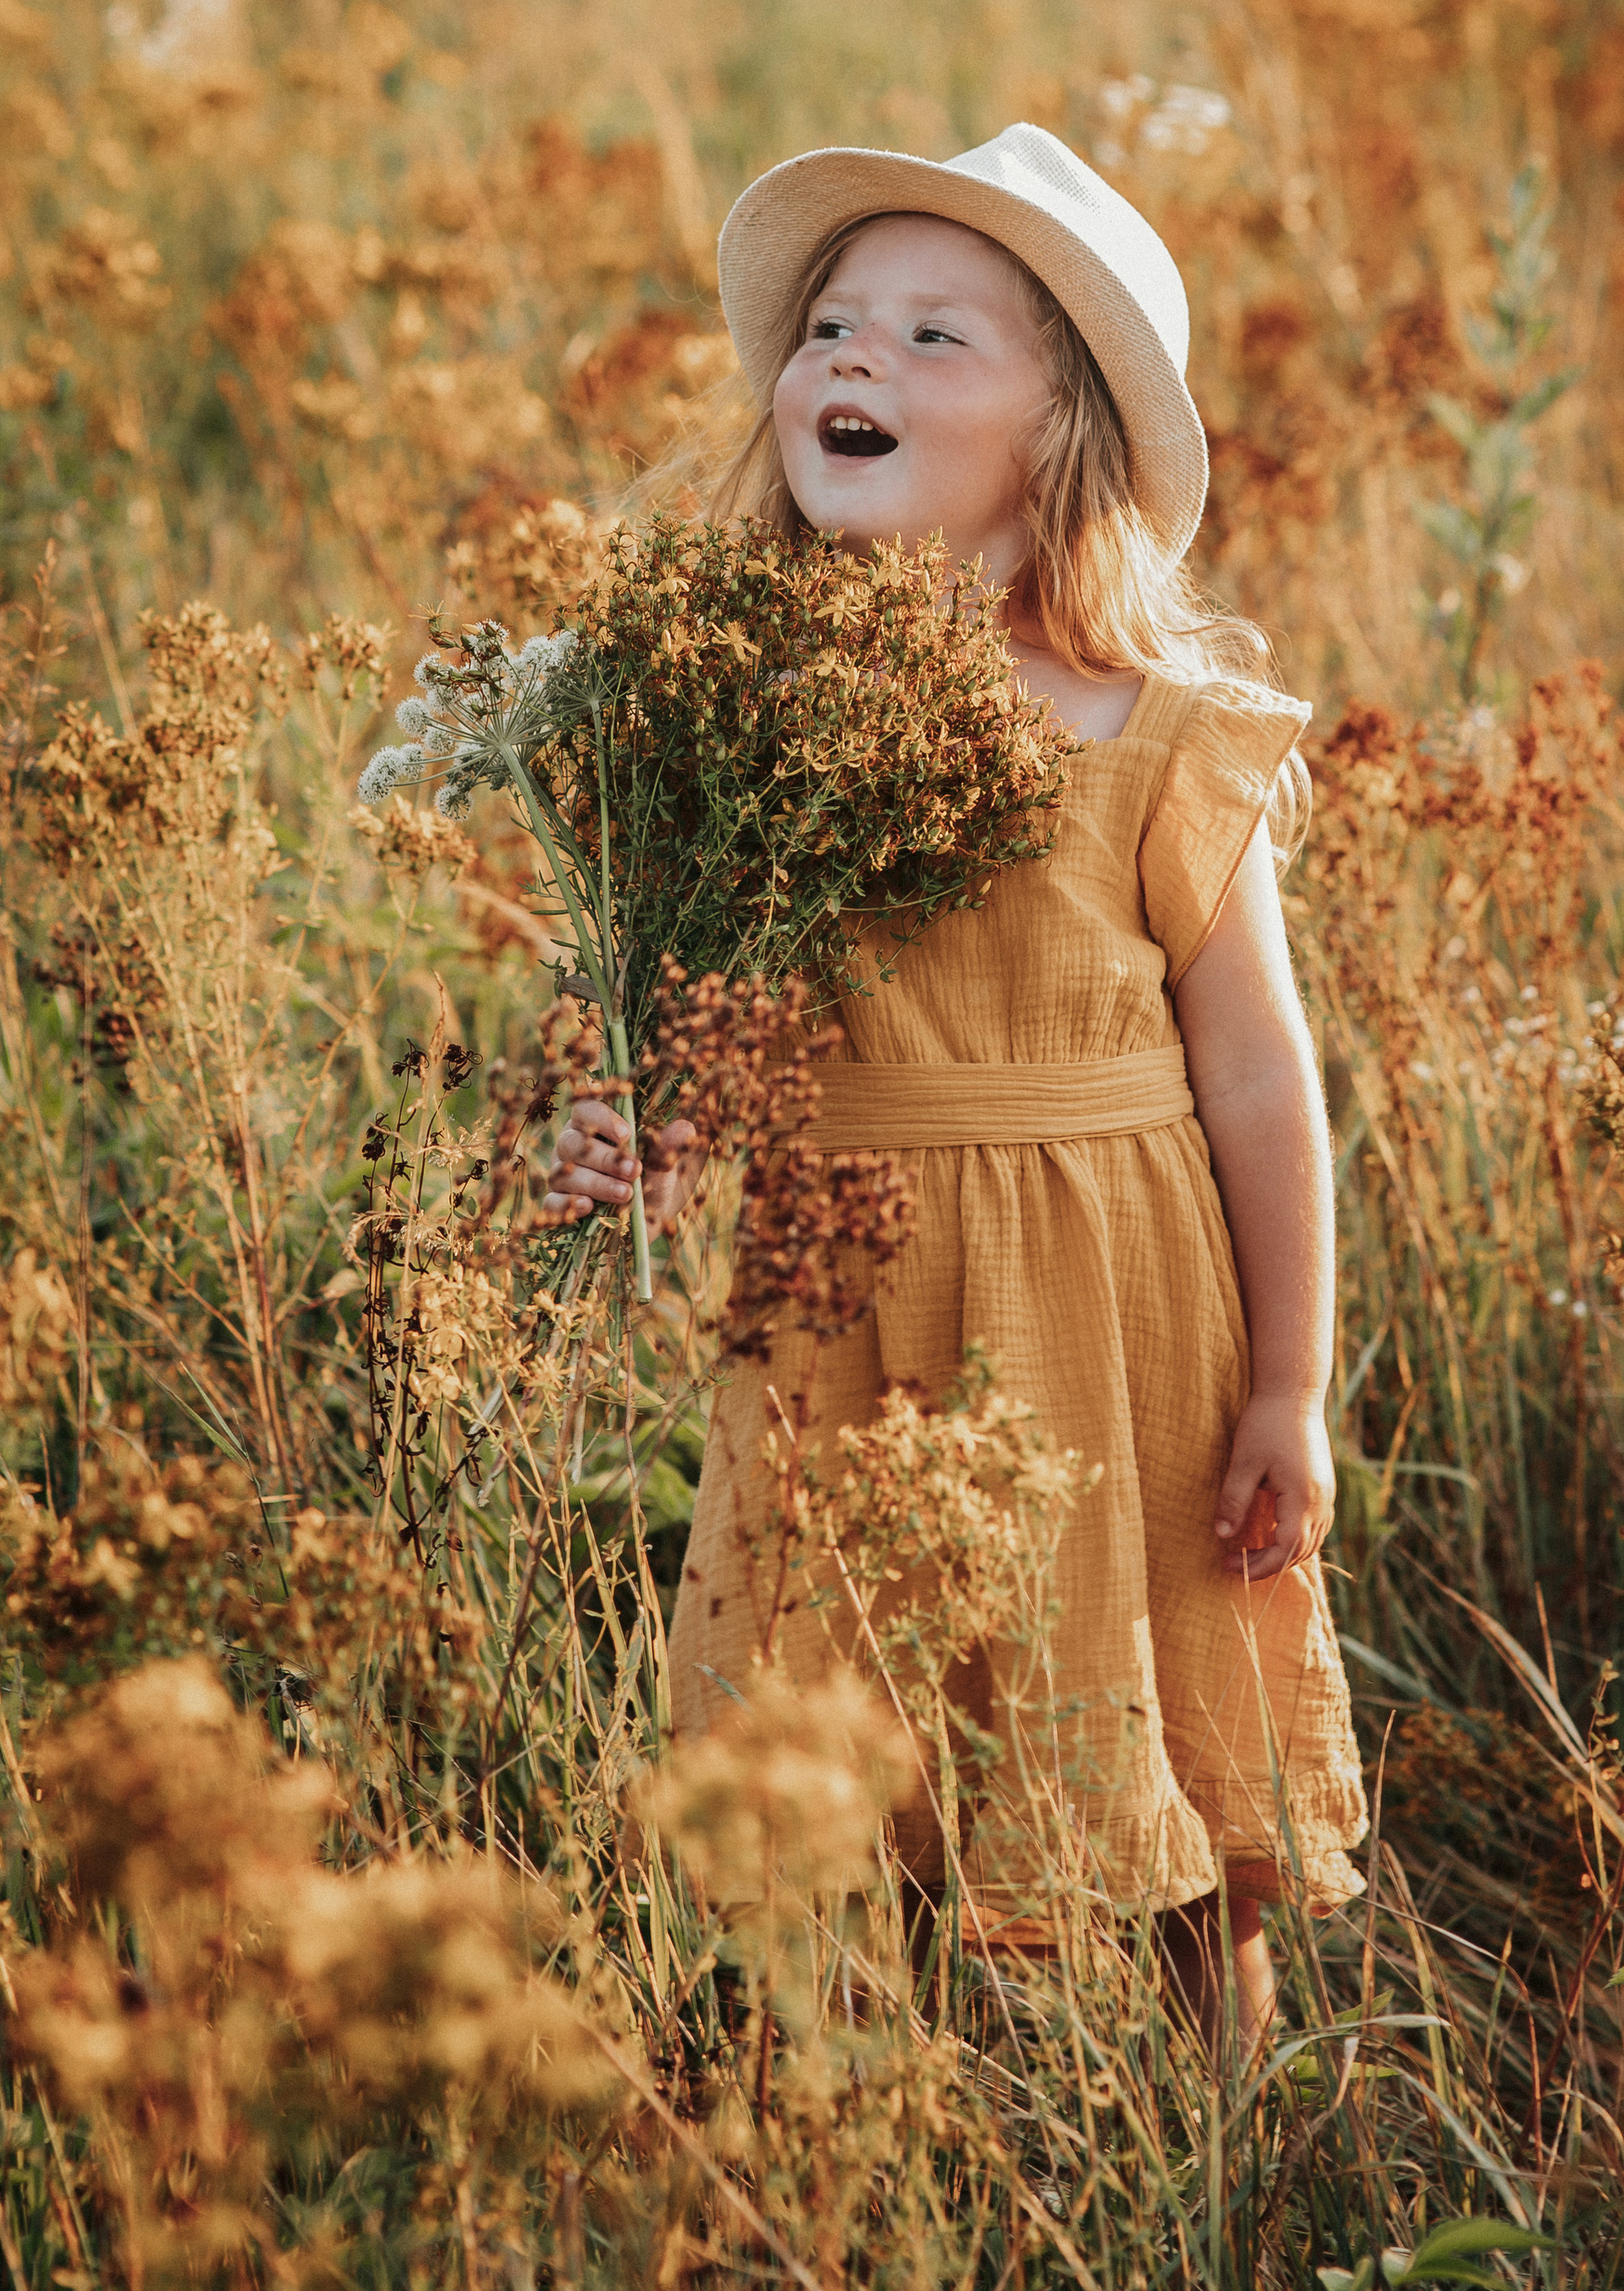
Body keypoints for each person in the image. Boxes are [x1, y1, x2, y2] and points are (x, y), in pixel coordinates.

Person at [542, 123, 1366, 2056]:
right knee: (835, 1728)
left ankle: (1224, 2185)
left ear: (1057, 432)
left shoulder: (1154, 733)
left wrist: (1288, 1385)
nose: (854, 365)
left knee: (1160, 1748)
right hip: (839, 1306)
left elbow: (1255, 1075)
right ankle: (862, 2165)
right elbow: (722, 1025)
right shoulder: (739, 720)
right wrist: (647, 1134)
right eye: (832, 328)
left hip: (1122, 1317)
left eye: (933, 338)